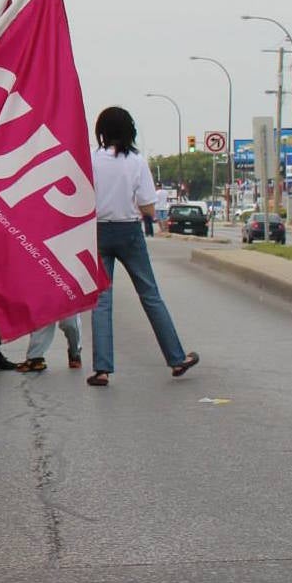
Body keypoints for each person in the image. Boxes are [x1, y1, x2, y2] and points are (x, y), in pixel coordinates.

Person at [86, 107, 201, 387]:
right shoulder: (136, 161)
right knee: (150, 295)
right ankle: (176, 358)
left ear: (101, 131)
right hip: (129, 231)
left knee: (101, 300)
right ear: (130, 131)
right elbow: (149, 207)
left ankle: (102, 369)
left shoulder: (91, 159)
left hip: (98, 230)